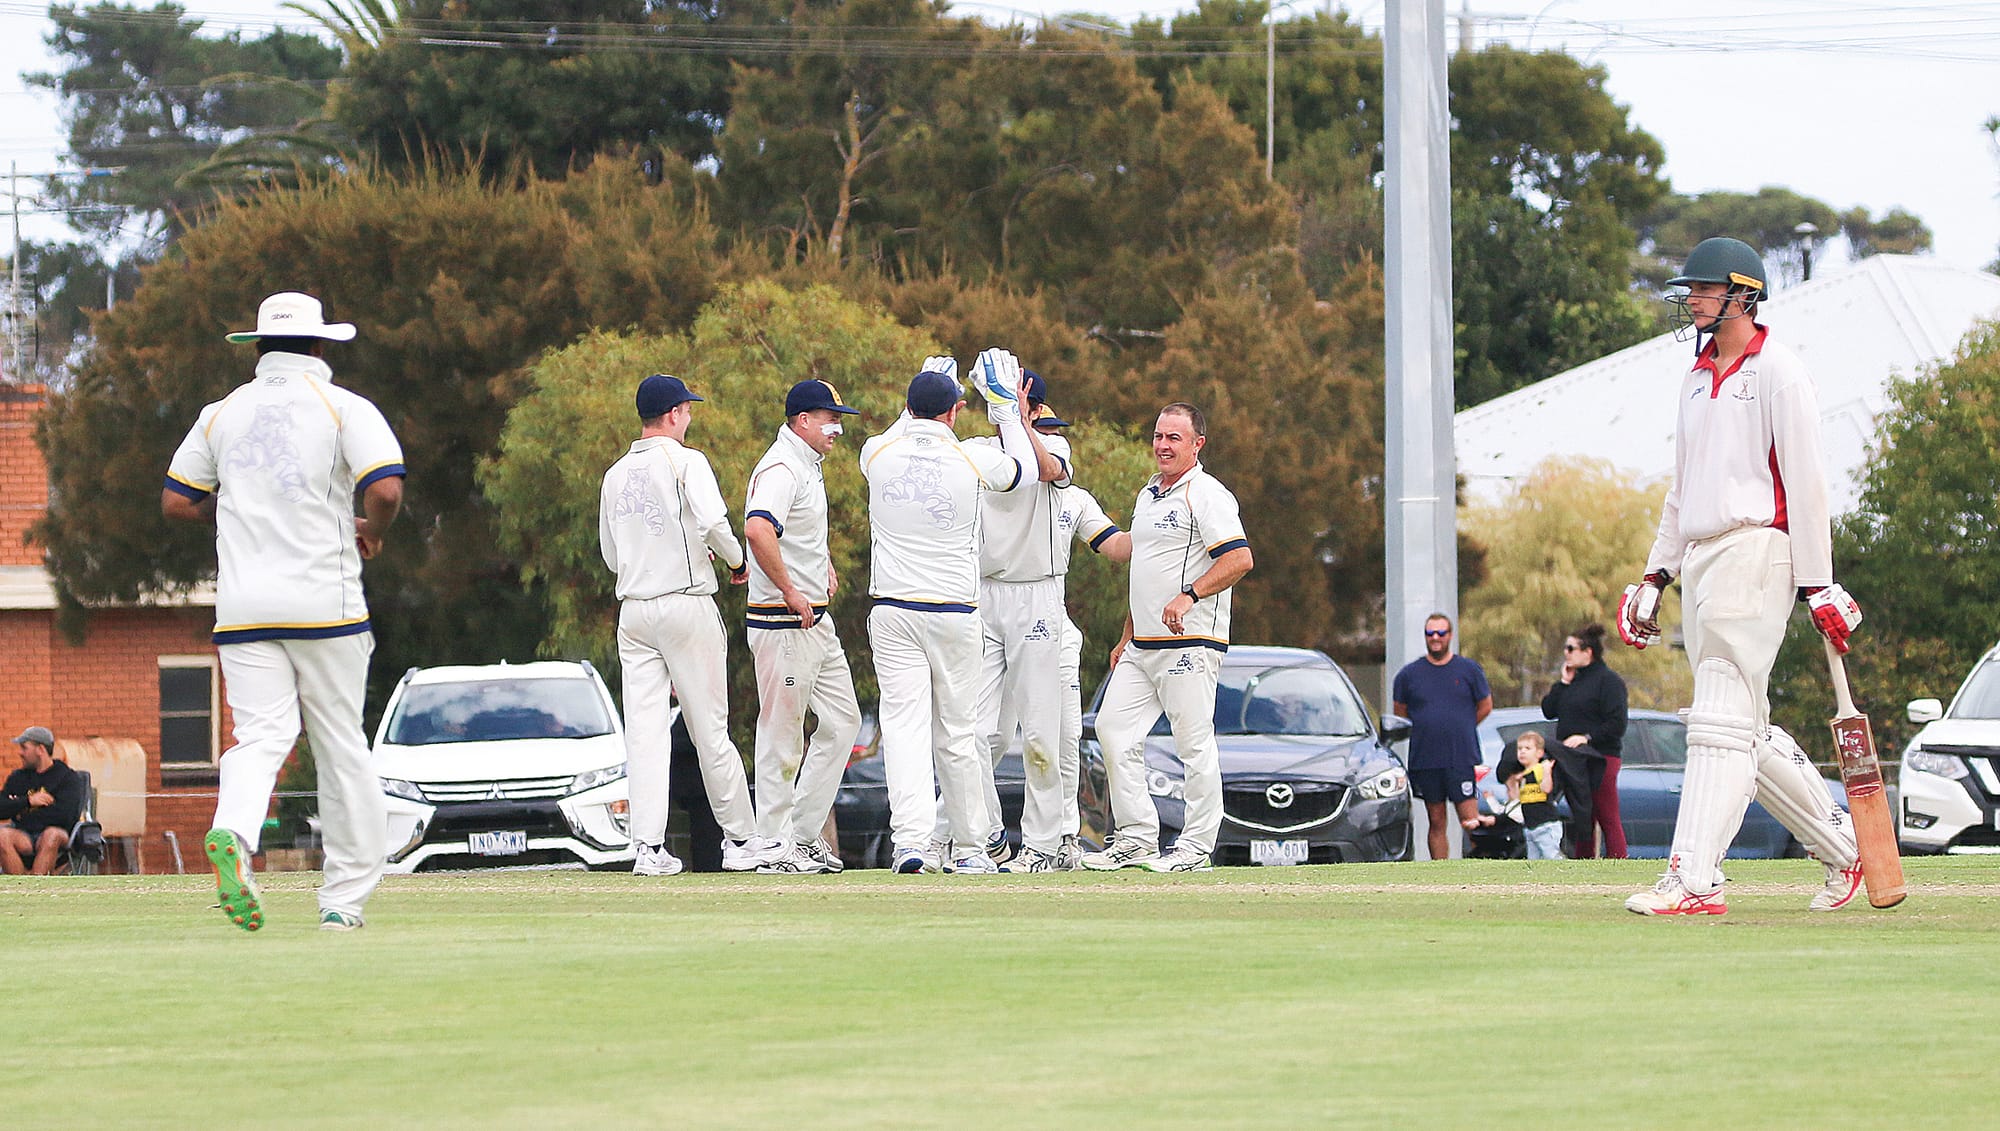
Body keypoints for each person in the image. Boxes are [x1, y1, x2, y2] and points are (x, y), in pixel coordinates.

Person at [1619, 236, 1864, 916]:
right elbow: (1683, 486)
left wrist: (1818, 582)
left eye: (1702, 289)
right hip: (1701, 558)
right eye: (1689, 290)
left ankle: (1694, 878)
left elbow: (1807, 482)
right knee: (1738, 730)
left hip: (1760, 548)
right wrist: (1655, 573)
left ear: (1743, 293)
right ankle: (1846, 851)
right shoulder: (1696, 376)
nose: (1690, 299)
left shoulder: (1779, 370)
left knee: (1717, 718)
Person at [163, 291, 405, 932]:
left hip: (244, 609)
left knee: (261, 737)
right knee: (340, 747)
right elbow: (383, 486)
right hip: (326, 605)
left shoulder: (221, 413)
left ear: (258, 348)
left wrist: (243, 507)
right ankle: (342, 904)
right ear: (322, 346)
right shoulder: (343, 406)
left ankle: (233, 837)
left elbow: (176, 501)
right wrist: (372, 529)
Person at [861, 351, 1047, 875]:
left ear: (908, 407)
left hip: (894, 609)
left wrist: (927, 384)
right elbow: (1026, 471)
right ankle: (969, 848)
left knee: (904, 728)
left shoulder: (876, 453)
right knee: (960, 733)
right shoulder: (971, 458)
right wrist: (1007, 409)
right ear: (956, 412)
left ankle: (911, 843)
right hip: (955, 612)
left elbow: (903, 425)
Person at [599, 373, 782, 877]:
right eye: (687, 410)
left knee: (644, 732)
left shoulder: (614, 474)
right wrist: (737, 561)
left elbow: (612, 558)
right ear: (675, 413)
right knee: (710, 728)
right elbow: (713, 523)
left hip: (633, 611)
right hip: (684, 603)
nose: (690, 418)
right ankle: (741, 840)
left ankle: (647, 848)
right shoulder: (687, 462)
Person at [1082, 402, 1254, 874]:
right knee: (1112, 729)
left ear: (1197, 444)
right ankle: (1136, 839)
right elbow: (1145, 569)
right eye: (1158, 436)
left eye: (1174, 438)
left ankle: (1196, 847)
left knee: (1192, 744)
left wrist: (1189, 596)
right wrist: (1127, 632)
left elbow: (1239, 560)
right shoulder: (1148, 495)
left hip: (1191, 642)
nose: (1162, 445)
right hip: (1143, 647)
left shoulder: (1208, 494)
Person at [741, 379, 864, 875]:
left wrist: (822, 565)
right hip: (784, 621)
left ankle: (802, 835)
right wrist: (791, 589)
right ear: (802, 421)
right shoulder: (781, 465)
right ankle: (772, 845)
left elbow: (800, 530)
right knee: (782, 732)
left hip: (815, 620)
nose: (837, 429)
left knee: (843, 723)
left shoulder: (806, 466)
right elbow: (756, 528)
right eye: (829, 419)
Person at [966, 373, 1084, 872]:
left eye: (1022, 404)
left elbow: (1045, 468)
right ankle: (987, 835)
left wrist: (1016, 416)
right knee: (973, 731)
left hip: (1036, 596)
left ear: (1034, 409)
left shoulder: (1052, 444)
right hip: (984, 595)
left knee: (1040, 732)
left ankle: (1043, 844)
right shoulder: (978, 449)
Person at [1392, 613, 1494, 861]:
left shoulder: (1469, 670)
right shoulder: (1408, 675)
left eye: (1441, 633)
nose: (1436, 638)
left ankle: (1482, 865)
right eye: (1430, 633)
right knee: (1436, 820)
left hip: (1461, 756)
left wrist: (1463, 727)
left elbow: (1485, 705)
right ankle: (1441, 871)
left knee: (1470, 819)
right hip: (1426, 759)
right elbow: (1401, 713)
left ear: (1450, 636)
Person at [1540, 623, 1628, 859]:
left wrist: (1586, 738)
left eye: (1571, 649)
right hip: (1572, 759)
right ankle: (1583, 862)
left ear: (1587, 652)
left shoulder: (1608, 682)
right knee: (1581, 815)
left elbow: (1617, 723)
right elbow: (1549, 710)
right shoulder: (1572, 681)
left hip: (1600, 757)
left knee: (1606, 813)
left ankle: (1618, 861)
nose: (1566, 654)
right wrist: (1563, 684)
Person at [0, 727, 85, 875]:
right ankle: (21, 887)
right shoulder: (18, 777)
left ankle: (37, 885)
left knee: (51, 835)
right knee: (2, 835)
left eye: (24, 748)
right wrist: (27, 802)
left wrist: (21, 813)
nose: (20, 753)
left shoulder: (67, 778)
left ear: (40, 749)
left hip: (57, 835)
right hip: (24, 835)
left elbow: (66, 816)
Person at [1500, 730, 1564, 860]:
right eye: (1519, 749)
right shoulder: (1523, 776)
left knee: (1551, 856)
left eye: (1527, 748)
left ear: (1539, 753)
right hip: (1530, 826)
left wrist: (1547, 772)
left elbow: (1546, 788)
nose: (1522, 752)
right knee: (1533, 860)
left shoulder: (1540, 769)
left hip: (1546, 825)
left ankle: (1564, 877)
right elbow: (1517, 798)